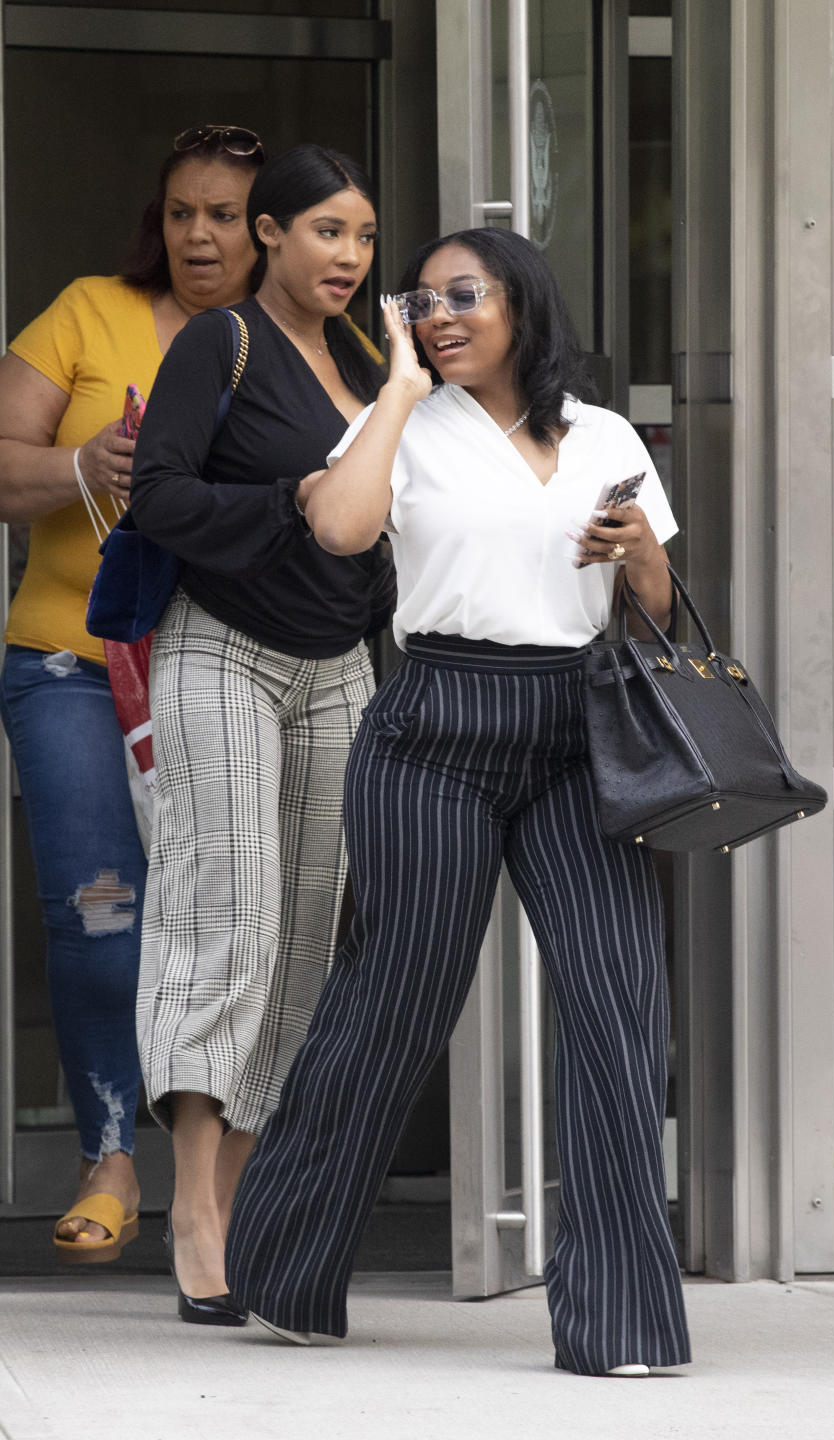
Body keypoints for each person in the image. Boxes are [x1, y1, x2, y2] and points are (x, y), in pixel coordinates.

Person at [224, 227, 692, 1376]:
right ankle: (286, 1271)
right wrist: (395, 387)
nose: (437, 313)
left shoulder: (606, 435)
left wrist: (636, 554)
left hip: (579, 732)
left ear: (522, 303)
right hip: (433, 727)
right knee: (394, 998)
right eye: (418, 298)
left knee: (617, 1003)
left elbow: (662, 609)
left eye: (461, 294)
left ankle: (621, 1320)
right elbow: (337, 529)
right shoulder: (406, 425)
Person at [130, 144, 391, 1325]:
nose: (349, 257)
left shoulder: (376, 365)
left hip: (342, 668)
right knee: (223, 911)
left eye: (365, 238)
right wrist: (290, 501)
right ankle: (190, 1208)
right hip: (222, 646)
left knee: (300, 951)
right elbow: (162, 499)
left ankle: (240, 1198)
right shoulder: (218, 342)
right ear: (270, 234)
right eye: (327, 232)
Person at [0, 122, 265, 1263]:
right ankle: (111, 1156)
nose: (197, 234)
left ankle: (231, 1187)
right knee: (103, 911)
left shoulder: (308, 338)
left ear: (266, 230)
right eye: (179, 212)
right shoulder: (88, 311)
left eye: (221, 215)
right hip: (68, 659)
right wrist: (80, 466)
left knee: (232, 928)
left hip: (228, 663)